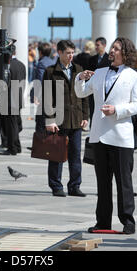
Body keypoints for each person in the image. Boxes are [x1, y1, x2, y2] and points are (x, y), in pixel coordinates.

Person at [75, 37, 137, 234]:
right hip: (99, 135)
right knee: (102, 182)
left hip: (121, 137)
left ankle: (128, 220)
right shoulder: (99, 73)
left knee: (124, 182)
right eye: (112, 48)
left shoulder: (134, 76)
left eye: (116, 48)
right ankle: (103, 222)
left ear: (125, 53)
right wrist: (80, 79)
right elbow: (82, 93)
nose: (112, 51)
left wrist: (117, 110)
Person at [43, 40, 89, 197]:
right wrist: (50, 119)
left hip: (75, 119)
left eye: (72, 53)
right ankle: (56, 186)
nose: (71, 56)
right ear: (59, 52)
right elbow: (47, 98)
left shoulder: (79, 70)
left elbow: (83, 95)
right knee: (56, 154)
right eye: (68, 53)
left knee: (75, 155)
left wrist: (85, 115)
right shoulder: (50, 72)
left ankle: (75, 186)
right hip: (58, 120)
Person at [0, 46, 26, 156]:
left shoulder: (7, 66)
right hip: (18, 97)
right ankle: (17, 146)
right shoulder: (21, 65)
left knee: (11, 126)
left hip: (9, 99)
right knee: (14, 124)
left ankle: (12, 148)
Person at [84, 37, 110, 125]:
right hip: (93, 90)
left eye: (98, 45)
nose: (96, 47)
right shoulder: (91, 59)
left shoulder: (109, 59)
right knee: (92, 111)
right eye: (95, 45)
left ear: (104, 45)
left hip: (104, 90)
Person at [33, 42, 57, 132]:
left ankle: (40, 143)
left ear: (40, 52)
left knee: (40, 121)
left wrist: (36, 96)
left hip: (44, 96)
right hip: (53, 95)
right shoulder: (53, 62)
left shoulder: (41, 63)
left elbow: (40, 81)